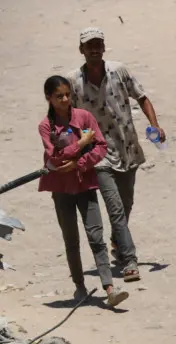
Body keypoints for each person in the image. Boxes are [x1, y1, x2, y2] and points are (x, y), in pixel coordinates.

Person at [71, 27, 164, 284]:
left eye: (98, 43)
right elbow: (66, 116)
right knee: (115, 210)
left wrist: (155, 125)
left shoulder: (119, 71)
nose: (95, 48)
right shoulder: (74, 82)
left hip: (128, 149)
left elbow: (142, 97)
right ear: (81, 49)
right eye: (89, 45)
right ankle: (129, 260)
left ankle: (117, 241)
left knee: (126, 203)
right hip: (98, 155)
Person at [38, 76, 128, 308]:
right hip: (61, 188)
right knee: (71, 240)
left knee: (96, 235)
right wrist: (80, 144)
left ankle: (109, 287)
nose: (65, 99)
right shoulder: (46, 126)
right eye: (59, 96)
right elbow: (54, 158)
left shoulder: (84, 117)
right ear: (49, 98)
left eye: (67, 94)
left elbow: (100, 146)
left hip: (85, 184)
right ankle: (79, 285)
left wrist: (79, 163)